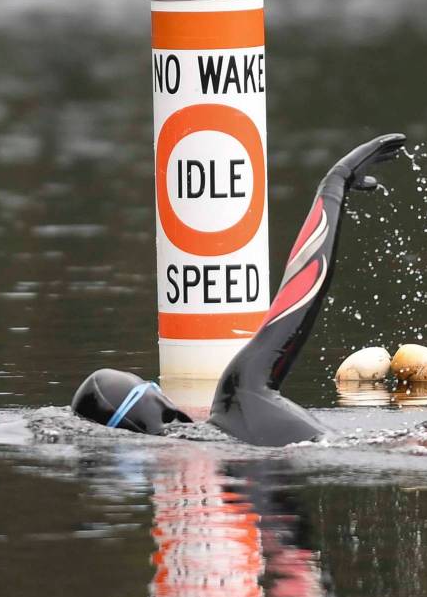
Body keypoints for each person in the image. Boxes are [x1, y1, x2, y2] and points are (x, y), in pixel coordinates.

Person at [71, 133, 406, 446]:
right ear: (169, 410)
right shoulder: (240, 396)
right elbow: (303, 288)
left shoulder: (210, 461)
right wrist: (335, 184)